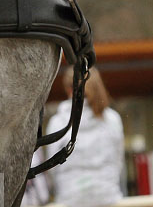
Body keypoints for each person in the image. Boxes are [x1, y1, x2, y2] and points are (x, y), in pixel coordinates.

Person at [46, 67, 124, 207]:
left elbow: (51, 166)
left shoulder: (58, 122)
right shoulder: (112, 119)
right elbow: (118, 161)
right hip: (107, 196)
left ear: (69, 89)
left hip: (70, 197)